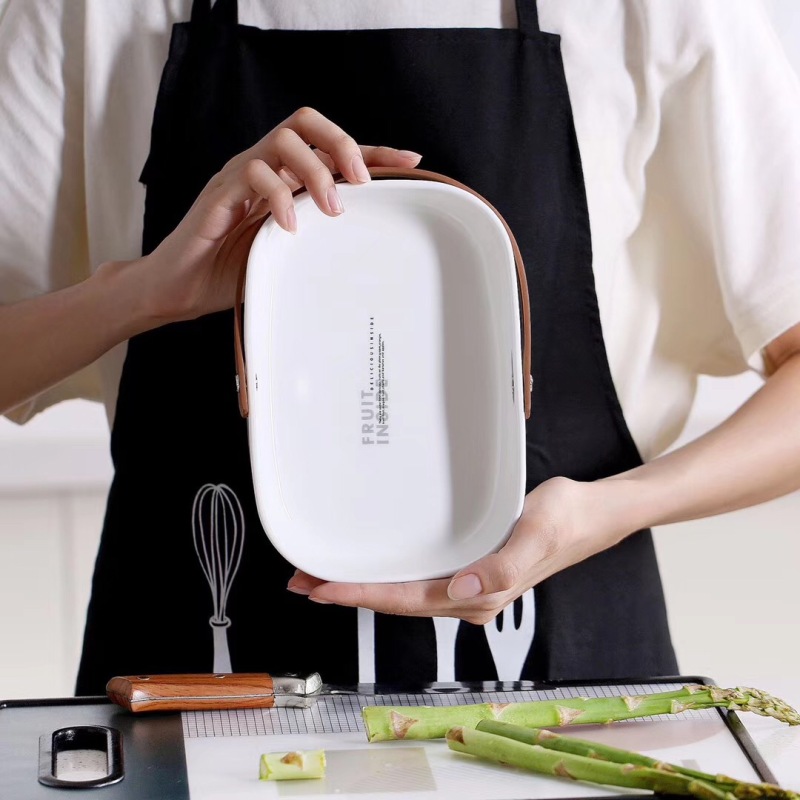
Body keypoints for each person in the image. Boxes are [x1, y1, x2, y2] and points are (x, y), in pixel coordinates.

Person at [1, 0, 799, 695]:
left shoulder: (660, 10)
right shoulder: (91, 10)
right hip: (192, 685)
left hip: (561, 683)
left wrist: (609, 511)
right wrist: (148, 291)